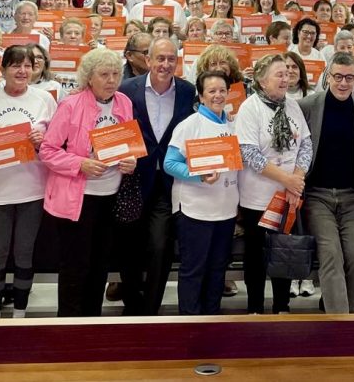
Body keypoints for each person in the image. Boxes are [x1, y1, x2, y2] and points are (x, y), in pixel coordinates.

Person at [38, 48, 133, 317]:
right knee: (74, 265)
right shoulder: (71, 104)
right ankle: (68, 325)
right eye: (104, 74)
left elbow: (128, 145)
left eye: (115, 74)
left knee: (100, 264)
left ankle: (93, 321)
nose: (111, 80)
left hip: (111, 195)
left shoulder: (124, 102)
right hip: (78, 198)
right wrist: (80, 163)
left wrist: (131, 161)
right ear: (89, 77)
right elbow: (47, 150)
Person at [117, 37, 197, 315]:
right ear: (148, 60)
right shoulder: (127, 89)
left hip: (168, 183)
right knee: (129, 248)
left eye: (171, 59)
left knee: (161, 247)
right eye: (160, 58)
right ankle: (131, 305)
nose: (165, 64)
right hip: (134, 179)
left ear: (178, 62)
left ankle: (150, 311)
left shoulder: (188, 91)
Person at [236, 54, 313, 314]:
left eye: (288, 74)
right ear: (261, 79)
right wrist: (288, 180)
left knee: (284, 252)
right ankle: (255, 307)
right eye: (279, 74)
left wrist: (297, 180)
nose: (285, 78)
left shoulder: (292, 106)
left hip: (288, 196)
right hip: (257, 196)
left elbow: (306, 144)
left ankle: (282, 306)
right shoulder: (250, 107)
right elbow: (249, 153)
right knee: (256, 255)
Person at [298, 52, 354, 313]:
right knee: (331, 254)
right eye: (338, 77)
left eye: (349, 78)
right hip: (317, 195)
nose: (343, 83)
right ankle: (340, 325)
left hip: (353, 196)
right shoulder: (307, 106)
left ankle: (338, 311)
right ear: (327, 77)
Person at [163, 70, 239, 315]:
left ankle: (211, 319)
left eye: (222, 91)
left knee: (218, 268)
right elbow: (170, 163)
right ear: (201, 96)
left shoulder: (232, 124)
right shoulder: (189, 125)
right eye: (212, 91)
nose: (218, 96)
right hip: (195, 209)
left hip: (225, 209)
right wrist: (198, 175)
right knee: (194, 269)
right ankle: (190, 322)